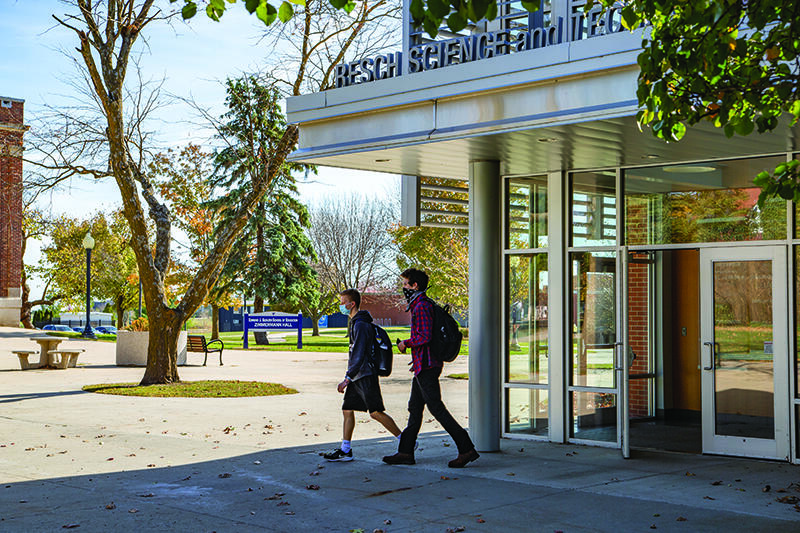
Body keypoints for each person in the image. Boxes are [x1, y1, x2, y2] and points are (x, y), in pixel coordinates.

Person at [383, 268, 480, 468]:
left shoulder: (422, 306)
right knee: (415, 408)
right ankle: (405, 452)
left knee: (436, 407)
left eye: (405, 284)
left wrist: (406, 344)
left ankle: (466, 448)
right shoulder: (419, 304)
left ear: (414, 285)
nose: (403, 288)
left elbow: (424, 337)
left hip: (427, 365)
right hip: (422, 364)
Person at [323, 288, 403, 461]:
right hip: (358, 376)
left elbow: (359, 354)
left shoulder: (360, 325)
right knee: (347, 409)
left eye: (343, 302)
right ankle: (345, 450)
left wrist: (347, 378)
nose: (340, 305)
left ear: (352, 304)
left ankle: (405, 442)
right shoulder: (356, 322)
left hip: (365, 375)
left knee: (375, 412)